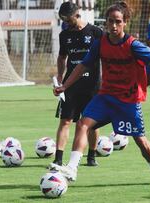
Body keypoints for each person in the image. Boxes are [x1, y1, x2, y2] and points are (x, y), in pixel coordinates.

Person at [49, 1, 150, 187]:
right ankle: (72, 168)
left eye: (118, 21)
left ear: (125, 22)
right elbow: (83, 66)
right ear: (105, 22)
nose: (114, 25)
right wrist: (65, 85)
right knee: (82, 124)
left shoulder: (133, 45)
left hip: (127, 101)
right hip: (105, 97)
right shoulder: (101, 43)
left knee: (140, 141)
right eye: (110, 21)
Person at [53, 2, 102, 166]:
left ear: (77, 14)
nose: (66, 23)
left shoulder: (95, 32)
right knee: (65, 121)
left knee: (92, 124)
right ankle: (58, 160)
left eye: (68, 19)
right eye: (63, 20)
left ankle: (91, 157)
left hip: (92, 86)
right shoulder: (64, 35)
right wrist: (60, 75)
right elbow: (62, 57)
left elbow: (107, 55)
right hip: (70, 86)